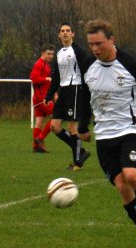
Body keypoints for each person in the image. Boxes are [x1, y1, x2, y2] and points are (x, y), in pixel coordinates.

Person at [77, 19, 136, 235]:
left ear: (112, 40)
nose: (95, 49)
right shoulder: (87, 66)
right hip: (103, 135)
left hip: (131, 130)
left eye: (99, 43)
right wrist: (83, 125)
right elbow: (84, 95)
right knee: (122, 186)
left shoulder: (132, 65)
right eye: (91, 45)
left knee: (132, 176)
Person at [44, 22, 91, 170]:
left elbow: (89, 68)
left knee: (72, 127)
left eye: (68, 30)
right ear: (59, 35)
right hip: (63, 91)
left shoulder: (78, 51)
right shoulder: (59, 54)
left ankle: (77, 162)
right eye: (62, 31)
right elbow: (56, 77)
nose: (65, 33)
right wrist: (49, 95)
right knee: (54, 126)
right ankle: (81, 151)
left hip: (76, 89)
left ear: (73, 34)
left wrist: (87, 89)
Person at [30, 44, 55, 153]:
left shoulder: (45, 65)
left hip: (39, 97)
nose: (50, 56)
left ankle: (36, 147)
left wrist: (53, 93)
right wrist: (46, 79)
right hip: (42, 98)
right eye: (48, 54)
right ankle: (40, 139)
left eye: (52, 54)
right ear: (42, 53)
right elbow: (34, 79)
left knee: (39, 122)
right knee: (57, 116)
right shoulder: (39, 64)